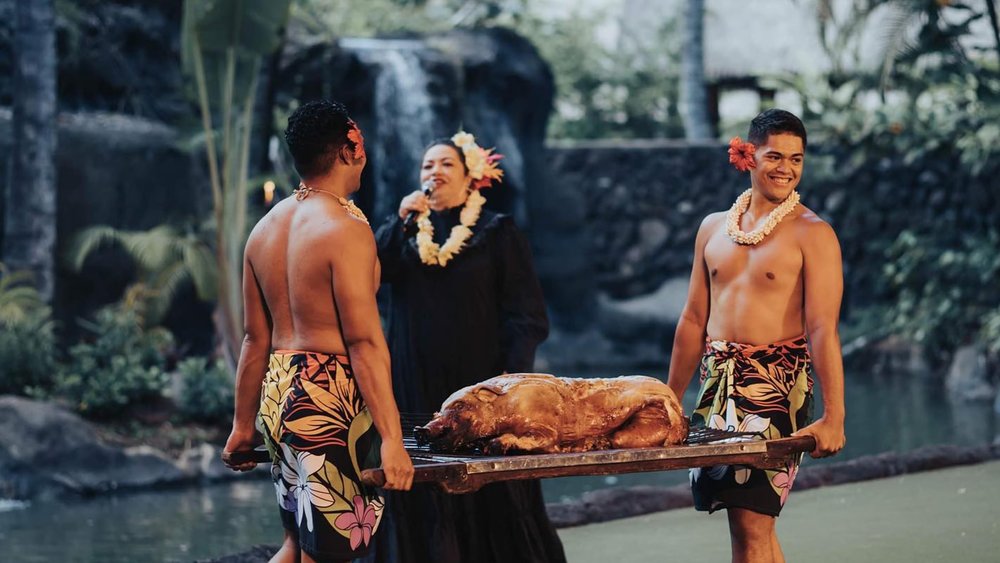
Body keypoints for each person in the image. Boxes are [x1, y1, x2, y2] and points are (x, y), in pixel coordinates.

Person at [221, 100, 414, 563]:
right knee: (326, 554)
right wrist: (391, 438)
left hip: (278, 393)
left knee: (296, 545)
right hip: (327, 399)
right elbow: (363, 341)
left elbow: (255, 340)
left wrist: (242, 425)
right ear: (351, 147)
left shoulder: (264, 229)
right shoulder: (345, 227)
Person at [368, 132, 566, 563]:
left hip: (482, 385)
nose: (433, 172)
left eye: (445, 164)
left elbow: (526, 314)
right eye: (426, 166)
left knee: (491, 490)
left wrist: (508, 384)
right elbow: (370, 273)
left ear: (470, 176)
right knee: (424, 488)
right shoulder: (403, 233)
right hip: (415, 381)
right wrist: (397, 220)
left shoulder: (497, 231)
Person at [666, 109, 846, 563]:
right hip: (718, 383)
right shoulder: (712, 228)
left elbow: (823, 328)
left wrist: (835, 415)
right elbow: (692, 320)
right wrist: (668, 400)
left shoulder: (814, 234)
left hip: (776, 385)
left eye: (797, 159)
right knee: (747, 526)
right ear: (747, 156)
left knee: (751, 523)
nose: (786, 167)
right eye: (774, 156)